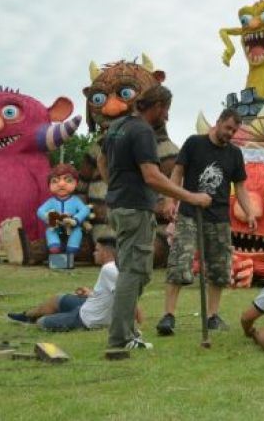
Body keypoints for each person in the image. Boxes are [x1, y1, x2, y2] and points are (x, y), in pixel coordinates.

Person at [97, 85, 211, 355]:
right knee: (132, 272)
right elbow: (151, 176)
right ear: (158, 106)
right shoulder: (143, 132)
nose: (167, 117)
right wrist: (190, 197)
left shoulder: (118, 126)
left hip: (120, 207)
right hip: (134, 209)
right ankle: (121, 337)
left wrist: (113, 186)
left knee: (137, 270)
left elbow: (102, 158)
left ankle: (125, 331)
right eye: (167, 110)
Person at [155, 108, 257, 336]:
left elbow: (240, 187)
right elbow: (177, 172)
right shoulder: (194, 143)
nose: (230, 133)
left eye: (234, 130)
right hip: (190, 213)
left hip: (219, 217)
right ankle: (168, 316)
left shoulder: (234, 154)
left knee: (220, 269)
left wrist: (249, 212)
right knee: (179, 263)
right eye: (228, 127)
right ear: (218, 122)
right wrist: (171, 199)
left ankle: (212, 316)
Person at [6, 237, 137, 330]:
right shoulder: (115, 267)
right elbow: (113, 294)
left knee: (42, 323)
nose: (93, 253)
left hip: (87, 319)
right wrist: (91, 293)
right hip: (89, 306)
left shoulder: (108, 269)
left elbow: (126, 297)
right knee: (57, 299)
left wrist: (136, 320)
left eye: (97, 250)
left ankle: (38, 319)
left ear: (106, 253)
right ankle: (27, 316)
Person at [36, 164, 91, 256]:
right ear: (49, 185)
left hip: (72, 226)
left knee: (77, 231)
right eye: (55, 181)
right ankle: (54, 245)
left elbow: (85, 210)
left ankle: (72, 248)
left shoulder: (75, 200)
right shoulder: (51, 201)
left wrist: (75, 220)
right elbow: (40, 211)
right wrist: (49, 218)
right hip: (56, 226)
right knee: (50, 231)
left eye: (68, 180)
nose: (61, 184)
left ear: (76, 183)